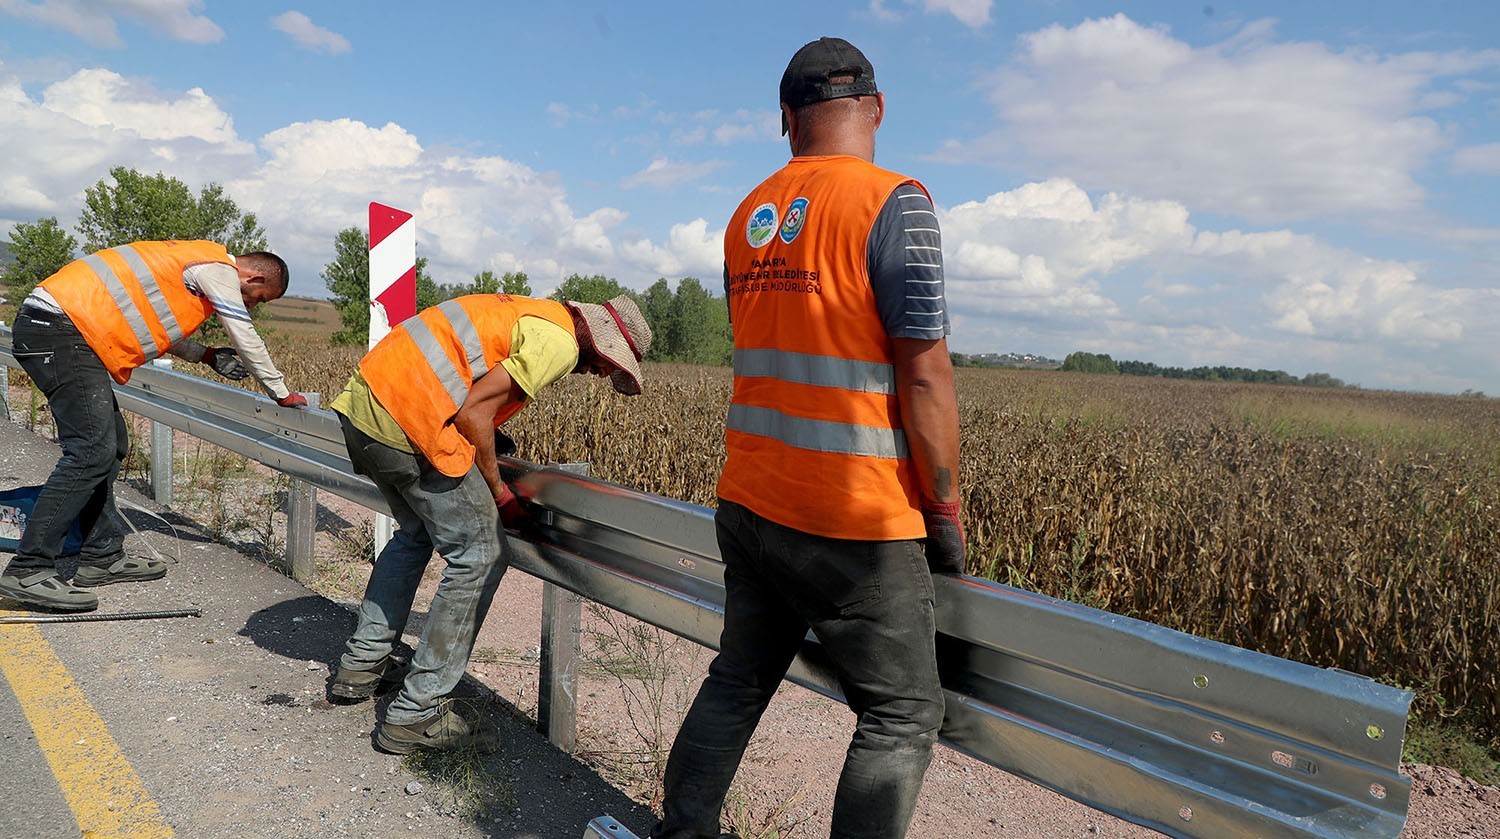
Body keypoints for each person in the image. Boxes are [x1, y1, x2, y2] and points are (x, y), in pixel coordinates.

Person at [653, 37, 964, 839]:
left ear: (785, 119)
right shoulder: (897, 204)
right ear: (879, 109)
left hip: (752, 500)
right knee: (900, 712)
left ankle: (681, 830)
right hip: (855, 520)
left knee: (739, 676)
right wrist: (945, 508)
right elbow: (924, 374)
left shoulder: (744, 219)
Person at [327, 292, 652, 754]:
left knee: (416, 533)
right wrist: (500, 493)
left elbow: (463, 381)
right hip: (410, 424)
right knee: (480, 556)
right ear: (596, 339)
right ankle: (416, 714)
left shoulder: (528, 312)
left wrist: (490, 435)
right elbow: (472, 412)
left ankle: (362, 666)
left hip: (364, 411)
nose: (601, 373)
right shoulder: (558, 343)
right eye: (607, 363)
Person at [0, 241, 307, 613]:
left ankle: (101, 556)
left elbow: (155, 324)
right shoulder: (218, 270)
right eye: (258, 298)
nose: (252, 305)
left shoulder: (190, 269)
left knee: (110, 449)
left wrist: (206, 356)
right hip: (60, 331)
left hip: (63, 330)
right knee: (91, 450)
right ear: (254, 276)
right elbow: (242, 331)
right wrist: (280, 391)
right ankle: (28, 570)